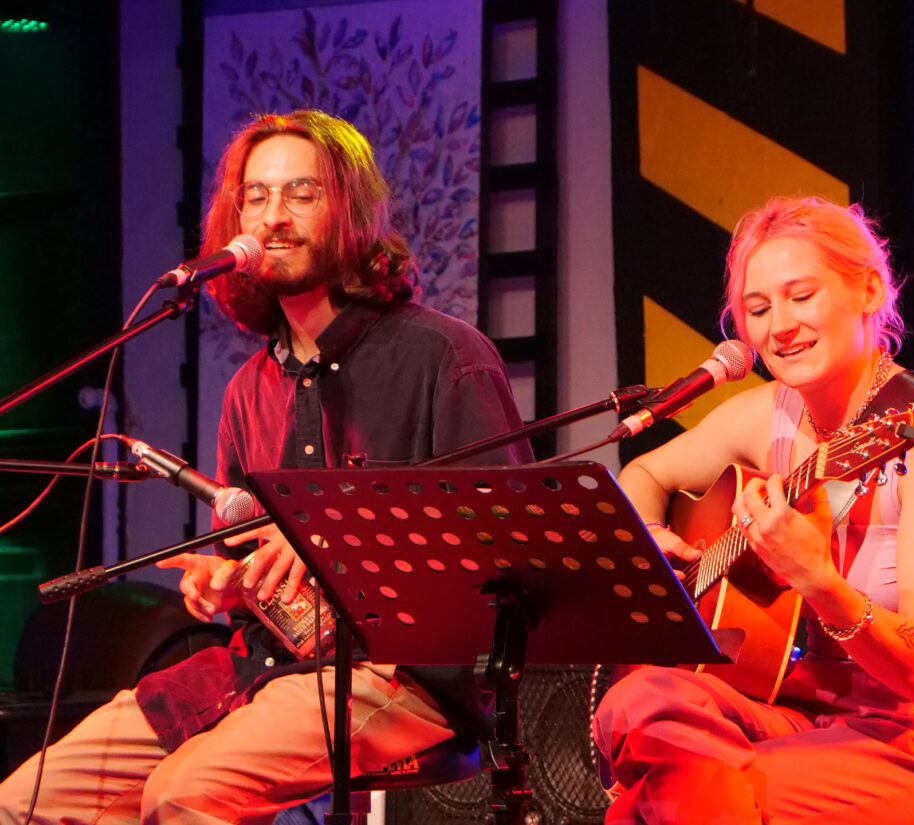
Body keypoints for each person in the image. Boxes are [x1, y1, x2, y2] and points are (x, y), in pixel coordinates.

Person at [0, 109, 533, 823]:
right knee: (29, 799)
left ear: (351, 210)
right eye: (256, 196)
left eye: (300, 194)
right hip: (259, 666)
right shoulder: (248, 390)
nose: (273, 216)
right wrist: (230, 585)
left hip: (403, 671)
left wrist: (332, 540)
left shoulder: (444, 356)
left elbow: (506, 546)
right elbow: (266, 578)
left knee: (185, 795)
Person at [591, 195, 914, 824]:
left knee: (681, 796)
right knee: (638, 699)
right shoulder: (768, 412)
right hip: (803, 709)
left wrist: (816, 578)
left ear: (870, 289)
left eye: (801, 296)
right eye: (758, 310)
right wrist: (653, 535)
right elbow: (644, 472)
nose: (779, 327)